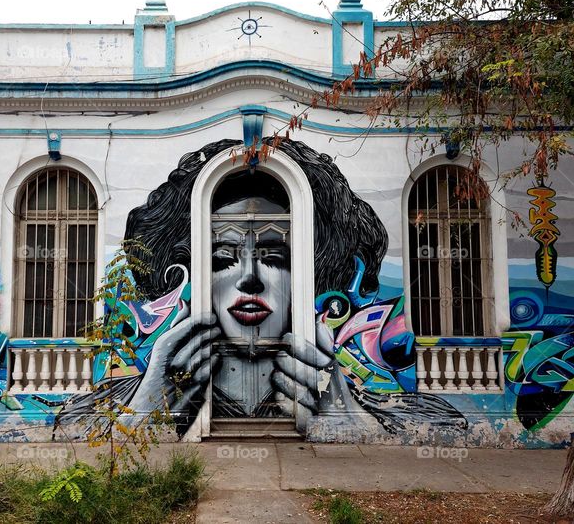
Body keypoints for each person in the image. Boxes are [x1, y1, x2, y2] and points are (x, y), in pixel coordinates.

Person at [56, 138, 465, 438]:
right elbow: (77, 435)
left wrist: (349, 422)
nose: (249, 278)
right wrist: (149, 409)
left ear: (314, 272)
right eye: (221, 258)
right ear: (187, 273)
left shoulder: (403, 414)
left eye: (274, 256)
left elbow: (449, 428)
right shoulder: (101, 409)